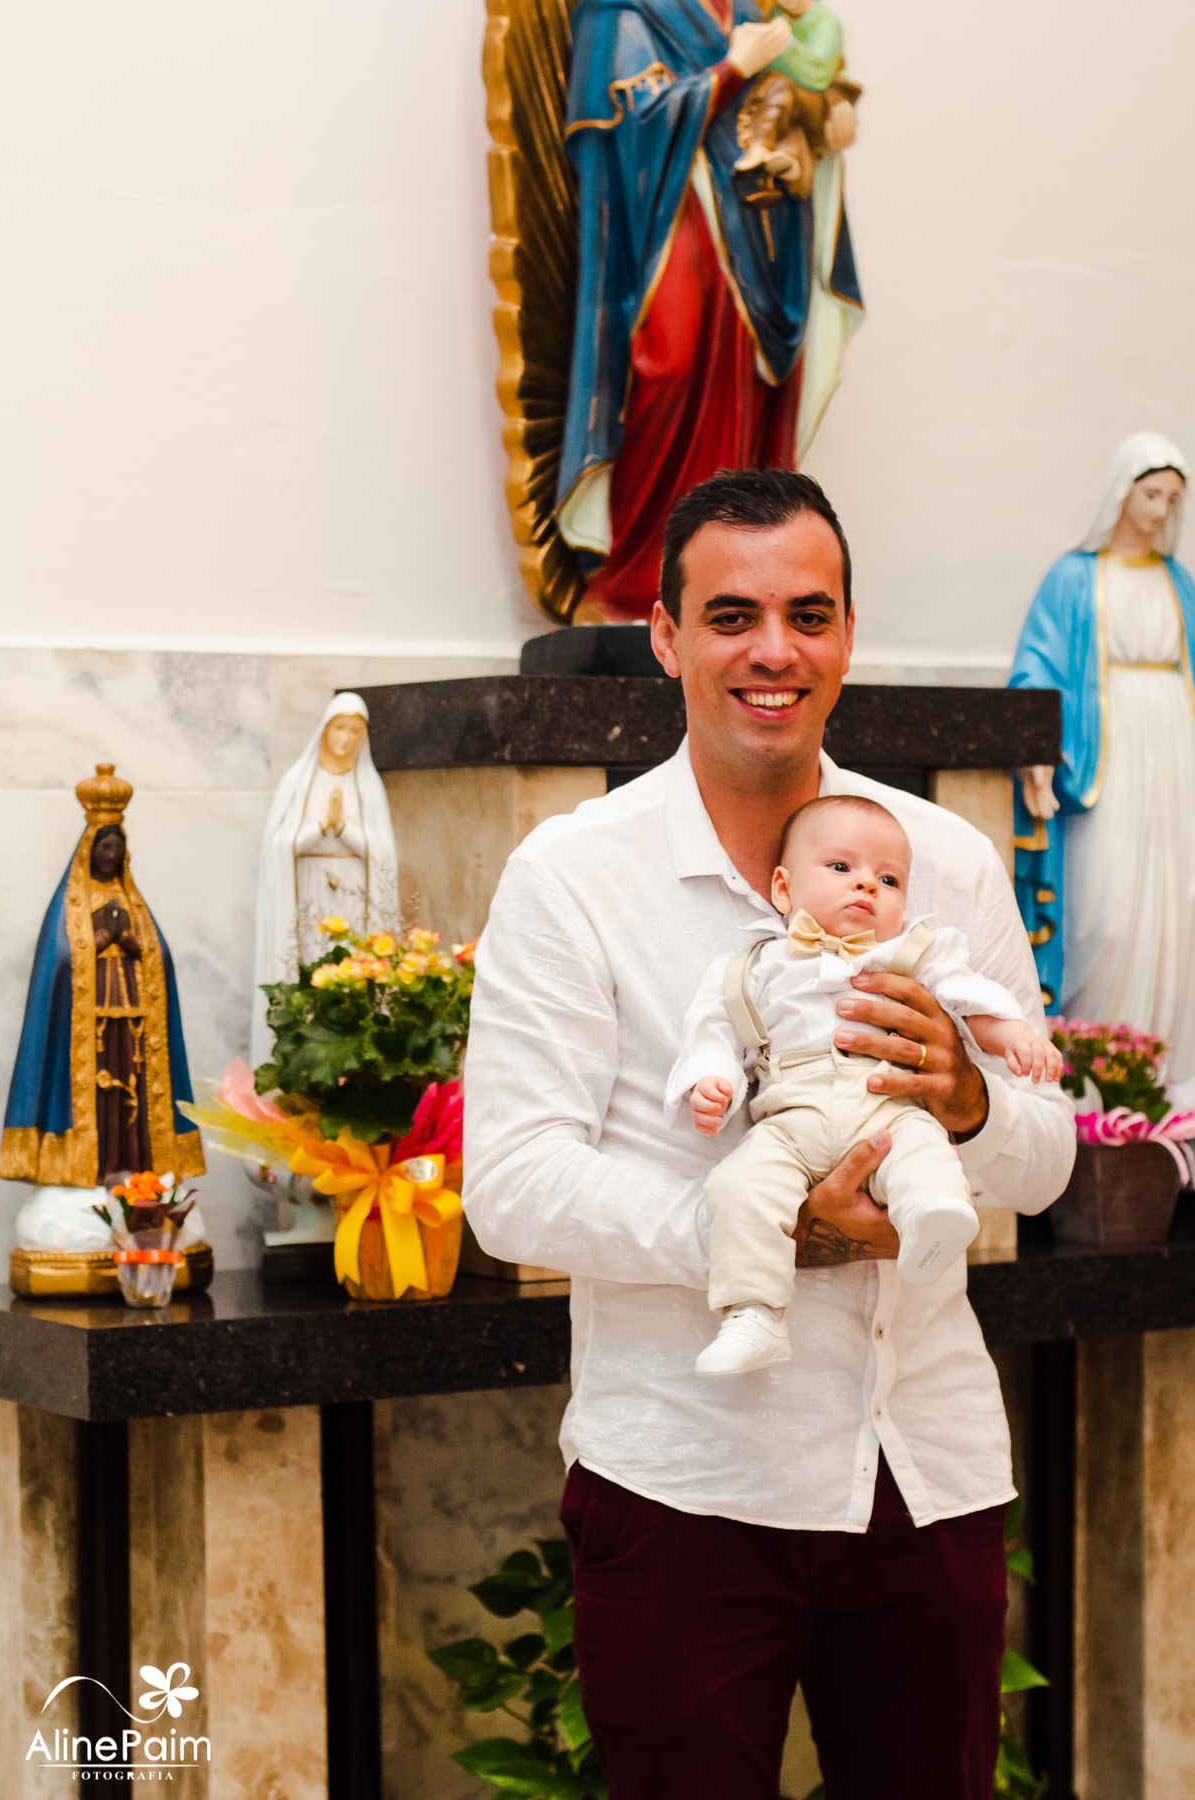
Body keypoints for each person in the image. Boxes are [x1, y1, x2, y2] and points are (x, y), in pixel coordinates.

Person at [463, 468, 1074, 1799]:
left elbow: (1049, 1156)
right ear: (668, 638)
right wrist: (757, 1226)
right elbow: (509, 1185)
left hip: (924, 1469)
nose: (774, 651)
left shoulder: (941, 860)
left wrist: (969, 1106)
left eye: (810, 612)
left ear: (850, 633)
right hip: (684, 1483)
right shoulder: (577, 875)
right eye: (731, 614)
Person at [672, 794, 1062, 1376]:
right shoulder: (754, 966)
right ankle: (753, 1313)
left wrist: (1012, 1036)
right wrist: (712, 1081)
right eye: (840, 869)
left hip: (885, 1104)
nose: (866, 887)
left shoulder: (912, 952)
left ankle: (931, 1214)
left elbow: (967, 997)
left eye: (888, 879)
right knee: (738, 1185)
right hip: (790, 1119)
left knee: (920, 1149)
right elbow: (714, 1030)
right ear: (783, 889)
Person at [559, 0, 863, 620]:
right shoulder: (622, 13)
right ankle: (640, 580)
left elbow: (807, 82)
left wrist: (829, 114)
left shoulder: (761, 8)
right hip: (670, 220)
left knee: (754, 388)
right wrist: (730, 70)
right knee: (669, 365)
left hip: (762, 224)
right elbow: (624, 128)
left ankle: (742, 585)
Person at [1010, 433, 1195, 1078]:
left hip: (1175, 757)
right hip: (1104, 763)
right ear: (1122, 492)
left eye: (1172, 498)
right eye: (1150, 493)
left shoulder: (1180, 583)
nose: (1160, 509)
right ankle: (1092, 1060)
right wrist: (1035, 747)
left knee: (1174, 912)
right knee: (1106, 910)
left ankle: (1166, 1066)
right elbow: (1038, 663)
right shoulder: (1074, 577)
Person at [0, 763, 205, 1188]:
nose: (110, 855)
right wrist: (97, 938)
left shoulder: (133, 899)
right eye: (103, 846)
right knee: (99, 1093)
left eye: (117, 847)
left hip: (131, 1020)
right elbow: (56, 960)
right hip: (87, 1025)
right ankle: (91, 1166)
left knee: (131, 1088)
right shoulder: (72, 900)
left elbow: (158, 956)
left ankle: (134, 1166)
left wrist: (131, 943)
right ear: (89, 849)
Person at [251, 692, 399, 1066]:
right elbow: (277, 847)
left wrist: (344, 830)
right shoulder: (297, 782)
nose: (347, 738)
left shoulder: (369, 786)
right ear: (325, 730)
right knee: (310, 966)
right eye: (340, 728)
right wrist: (321, 827)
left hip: (353, 893)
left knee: (350, 968)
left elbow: (382, 854)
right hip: (308, 890)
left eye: (355, 730)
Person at [734, 0, 859, 204]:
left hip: (823, 98)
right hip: (782, 100)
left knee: (781, 91)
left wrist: (780, 44)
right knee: (779, 100)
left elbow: (818, 72)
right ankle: (790, 161)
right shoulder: (773, 17)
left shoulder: (826, 22)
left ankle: (760, 146)